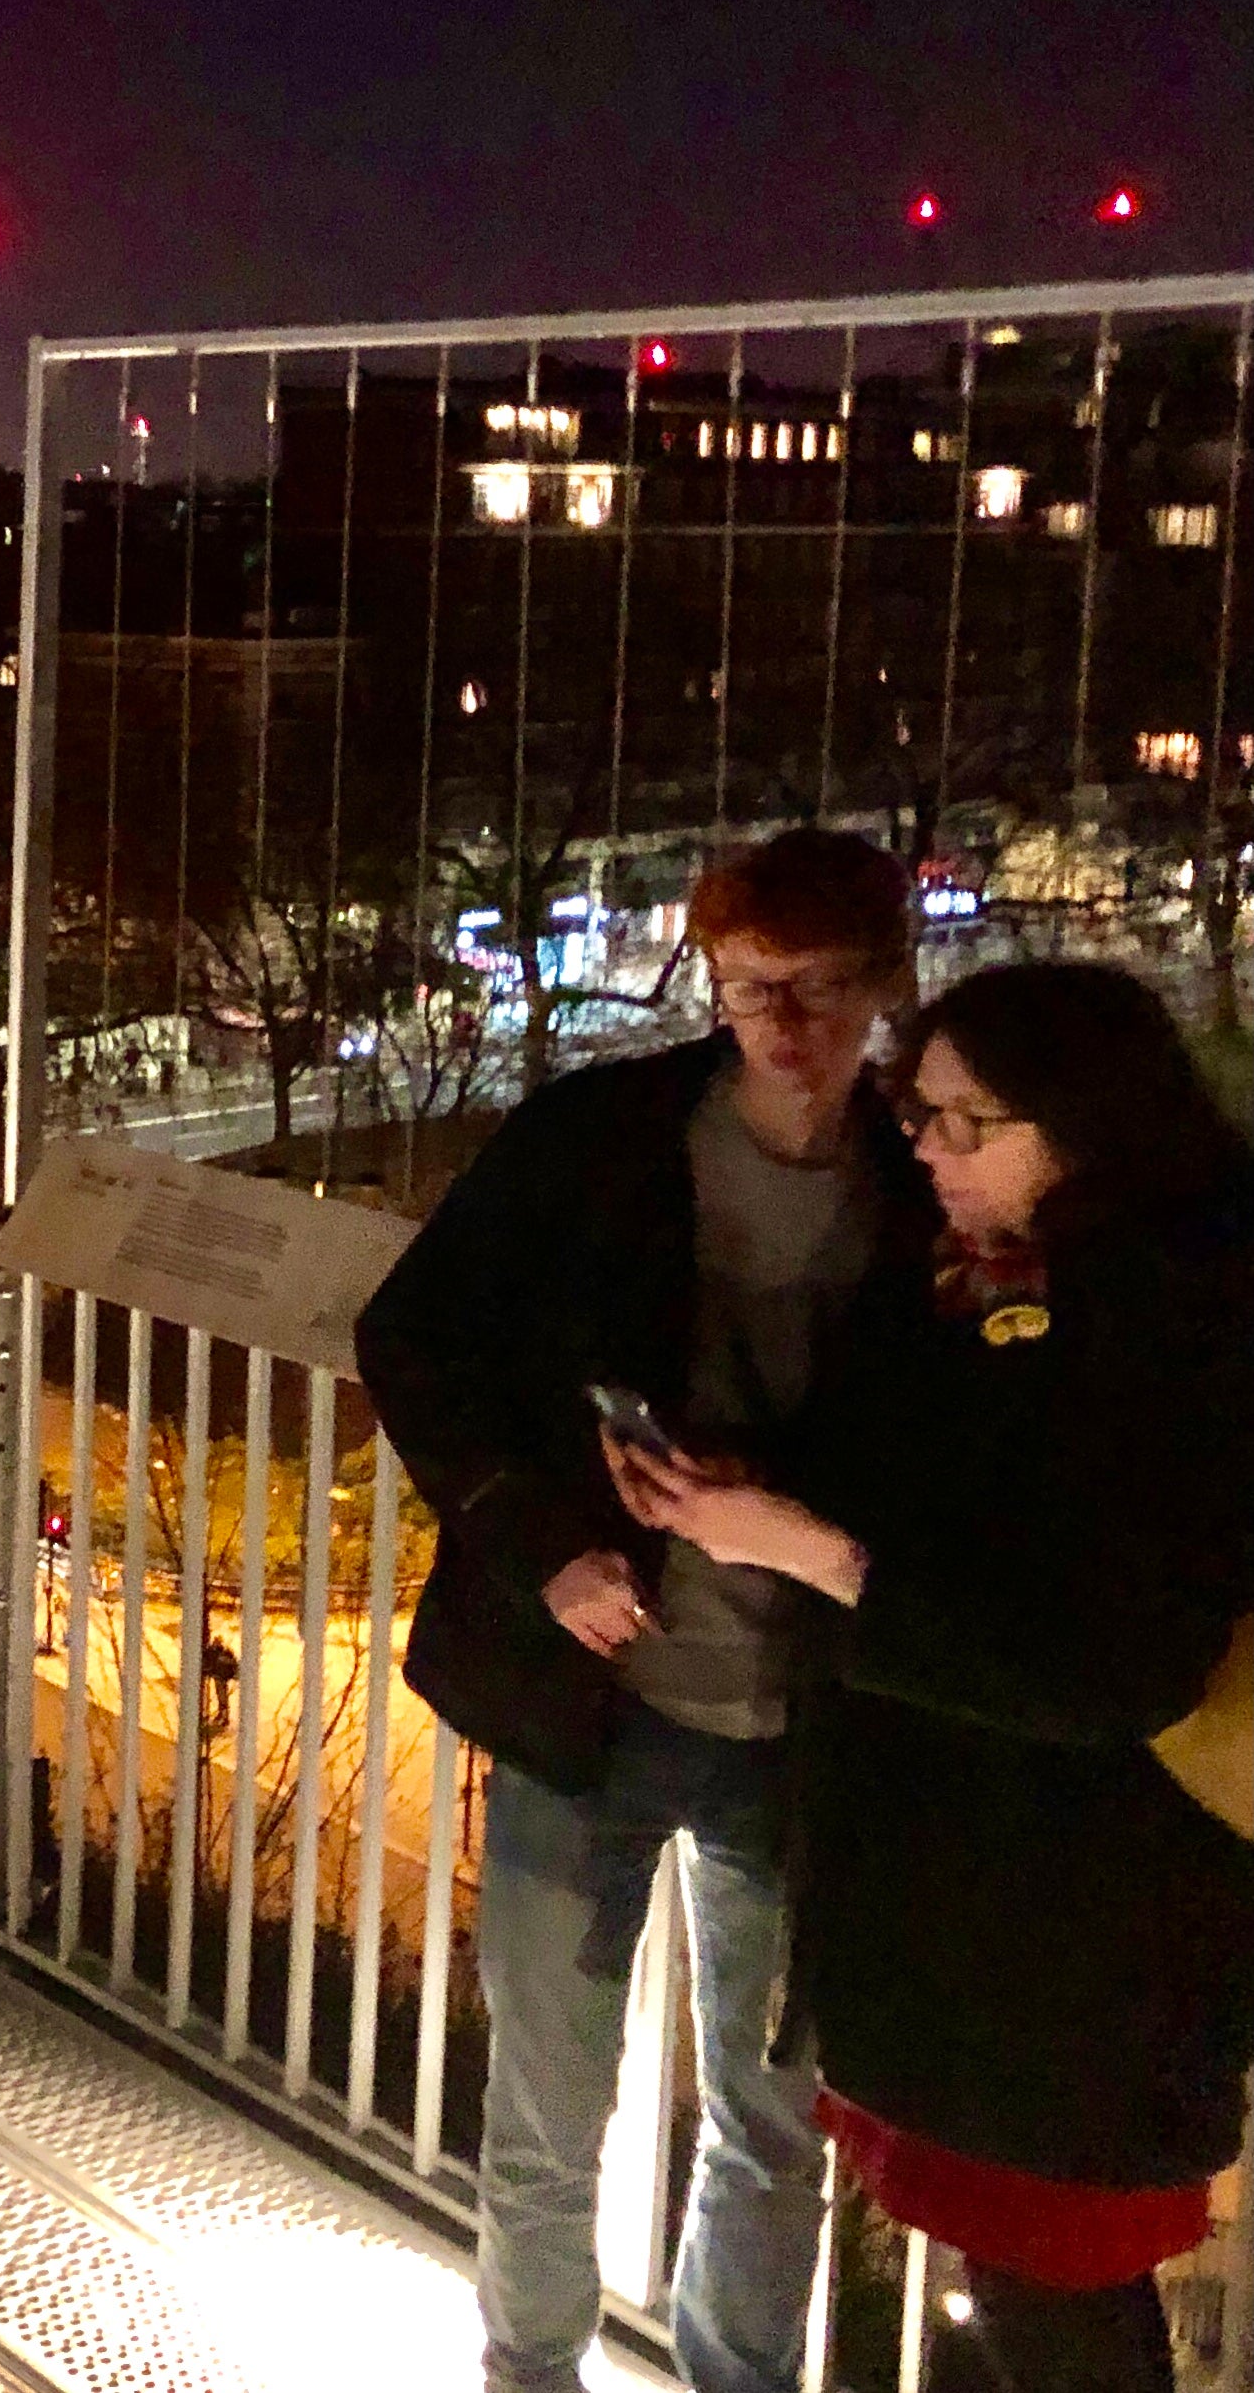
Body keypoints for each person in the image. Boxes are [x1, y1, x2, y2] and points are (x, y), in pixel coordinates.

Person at [616, 964, 1254, 2393]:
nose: (927, 1148)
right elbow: (903, 1489)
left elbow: (1115, 1664)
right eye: (922, 1115)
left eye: (971, 1122)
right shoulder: (973, 1274)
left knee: (1059, 2302)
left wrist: (820, 1559)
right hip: (959, 1902)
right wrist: (751, 1492)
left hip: (1082, 1923)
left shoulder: (1180, 1322)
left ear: (1091, 1129)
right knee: (1012, 2284)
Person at [358, 829, 930, 2393]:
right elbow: (414, 1333)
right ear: (714, 984)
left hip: (808, 1717)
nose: (788, 1028)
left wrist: (790, 1496)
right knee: (549, 2113)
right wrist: (542, 1540)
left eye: (822, 990)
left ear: (886, 985)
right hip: (589, 1697)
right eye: (754, 990)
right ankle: (527, 2376)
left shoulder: (929, 1183)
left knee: (774, 2127)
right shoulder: (600, 1136)